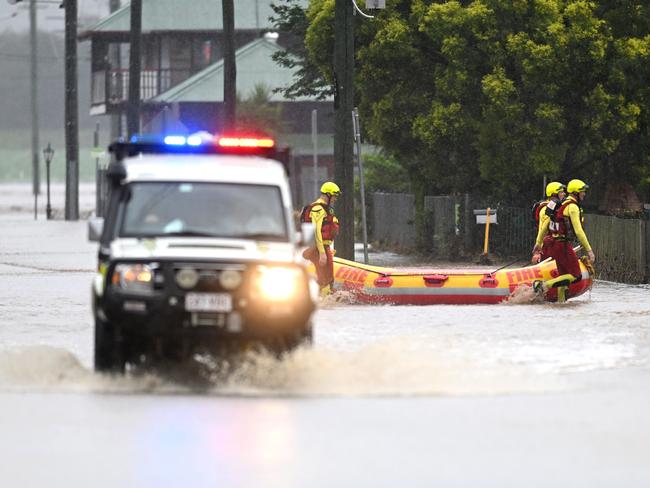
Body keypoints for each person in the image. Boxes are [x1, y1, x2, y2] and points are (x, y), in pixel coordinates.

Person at [534, 178, 596, 302]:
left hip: (554, 244)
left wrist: (538, 243)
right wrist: (589, 250)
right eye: (582, 191)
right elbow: (578, 231)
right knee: (576, 275)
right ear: (576, 192)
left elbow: (545, 225)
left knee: (563, 277)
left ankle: (561, 303)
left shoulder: (558, 203)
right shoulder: (572, 206)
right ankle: (543, 285)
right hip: (562, 246)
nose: (584, 194)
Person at [301, 182, 341, 295]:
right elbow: (316, 231)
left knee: (325, 278)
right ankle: (325, 302)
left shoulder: (325, 208)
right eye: (334, 196)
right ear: (328, 194)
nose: (335, 199)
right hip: (320, 248)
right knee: (326, 279)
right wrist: (322, 253)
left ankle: (321, 297)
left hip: (323, 246)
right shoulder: (318, 209)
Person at [531, 181, 566, 264]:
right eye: (561, 192)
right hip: (547, 246)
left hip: (555, 244)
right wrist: (538, 247)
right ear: (554, 194)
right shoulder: (546, 209)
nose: (564, 194)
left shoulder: (555, 207)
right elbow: (542, 228)